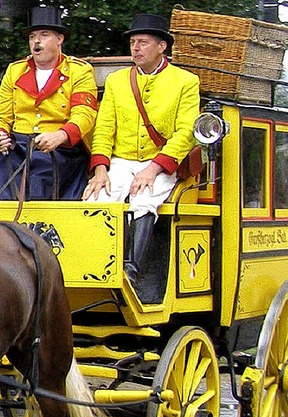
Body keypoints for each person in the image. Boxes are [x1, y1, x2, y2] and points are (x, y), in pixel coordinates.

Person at [83, 13, 200, 285]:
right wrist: (100, 169)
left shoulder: (186, 81)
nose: (135, 48)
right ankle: (94, 265)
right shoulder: (116, 81)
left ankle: (131, 271)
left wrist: (153, 168)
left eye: (143, 42)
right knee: (96, 199)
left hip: (160, 161)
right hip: (120, 160)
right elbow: (103, 129)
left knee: (143, 199)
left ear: (162, 47)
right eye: (133, 42)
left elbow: (185, 133)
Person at [0, 6, 98, 201]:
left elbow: (85, 115)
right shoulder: (14, 71)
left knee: (38, 181)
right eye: (32, 36)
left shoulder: (79, 71)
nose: (36, 41)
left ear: (59, 39)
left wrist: (60, 135)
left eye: (44, 35)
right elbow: (1, 116)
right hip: (17, 147)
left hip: (60, 150)